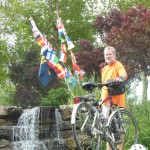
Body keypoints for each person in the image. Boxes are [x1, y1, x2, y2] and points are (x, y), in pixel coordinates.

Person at [100, 46, 127, 150]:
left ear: (114, 55)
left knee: (120, 127)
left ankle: (119, 149)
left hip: (117, 102)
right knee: (108, 128)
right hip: (105, 102)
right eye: (106, 54)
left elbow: (124, 74)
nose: (108, 56)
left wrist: (120, 78)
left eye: (110, 54)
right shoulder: (104, 69)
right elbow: (103, 86)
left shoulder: (118, 65)